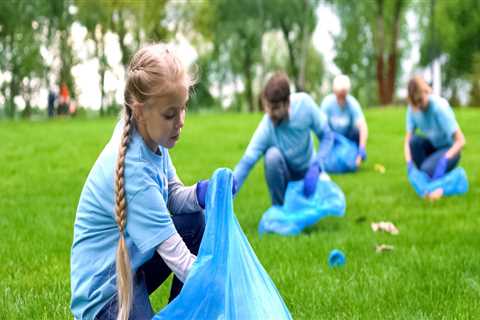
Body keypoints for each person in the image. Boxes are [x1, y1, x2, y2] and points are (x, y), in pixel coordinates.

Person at [70, 44, 231, 320]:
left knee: (194, 219)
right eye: (170, 114)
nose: (180, 121)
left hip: (133, 268)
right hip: (106, 295)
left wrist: (202, 194)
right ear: (140, 110)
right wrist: (225, 285)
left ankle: (186, 312)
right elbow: (180, 259)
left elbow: (173, 197)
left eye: (183, 109)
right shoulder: (134, 170)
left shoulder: (149, 134)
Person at [233, 72, 334, 206]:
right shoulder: (267, 126)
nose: (270, 113)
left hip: (309, 172)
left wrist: (317, 166)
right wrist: (226, 195)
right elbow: (246, 163)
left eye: (275, 108)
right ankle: (279, 208)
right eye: (267, 107)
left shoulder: (305, 105)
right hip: (286, 174)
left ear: (287, 102)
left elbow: (326, 136)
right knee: (271, 156)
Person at [404, 75, 466, 199]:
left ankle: (456, 179)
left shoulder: (440, 108)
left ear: (426, 92)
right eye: (416, 103)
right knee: (414, 142)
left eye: (421, 100)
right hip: (433, 146)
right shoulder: (413, 109)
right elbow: (407, 139)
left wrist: (444, 161)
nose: (419, 106)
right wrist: (409, 163)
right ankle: (432, 183)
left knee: (426, 171)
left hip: (449, 150)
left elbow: (461, 141)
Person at [320, 74, 368, 167]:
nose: (342, 97)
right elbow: (321, 125)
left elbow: (363, 126)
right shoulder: (327, 103)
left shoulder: (352, 103)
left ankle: (356, 158)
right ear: (335, 91)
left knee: (357, 131)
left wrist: (362, 148)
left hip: (348, 137)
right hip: (332, 137)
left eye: (344, 93)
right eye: (340, 94)